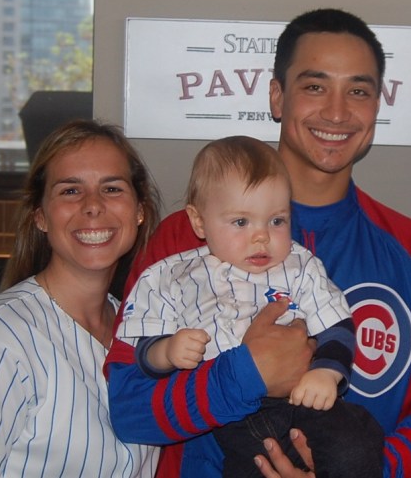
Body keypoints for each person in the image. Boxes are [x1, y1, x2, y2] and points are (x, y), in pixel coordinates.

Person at [105, 8, 411, 477]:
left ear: (376, 106)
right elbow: (128, 410)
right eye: (315, 86)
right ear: (277, 96)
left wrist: (366, 471)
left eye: (358, 91)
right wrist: (244, 375)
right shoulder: (184, 239)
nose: (337, 111)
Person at [116, 135, 383, 477]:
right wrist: (166, 351)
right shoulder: (171, 276)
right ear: (199, 222)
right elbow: (143, 351)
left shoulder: (301, 266)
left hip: (304, 400)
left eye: (277, 221)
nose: (261, 236)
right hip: (229, 421)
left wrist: (327, 372)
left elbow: (338, 326)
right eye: (241, 222)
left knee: (357, 446)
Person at [0, 120, 162, 477]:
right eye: (70, 191)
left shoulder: (144, 331)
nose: (93, 206)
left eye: (111, 188)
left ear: (139, 210)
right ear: (41, 217)